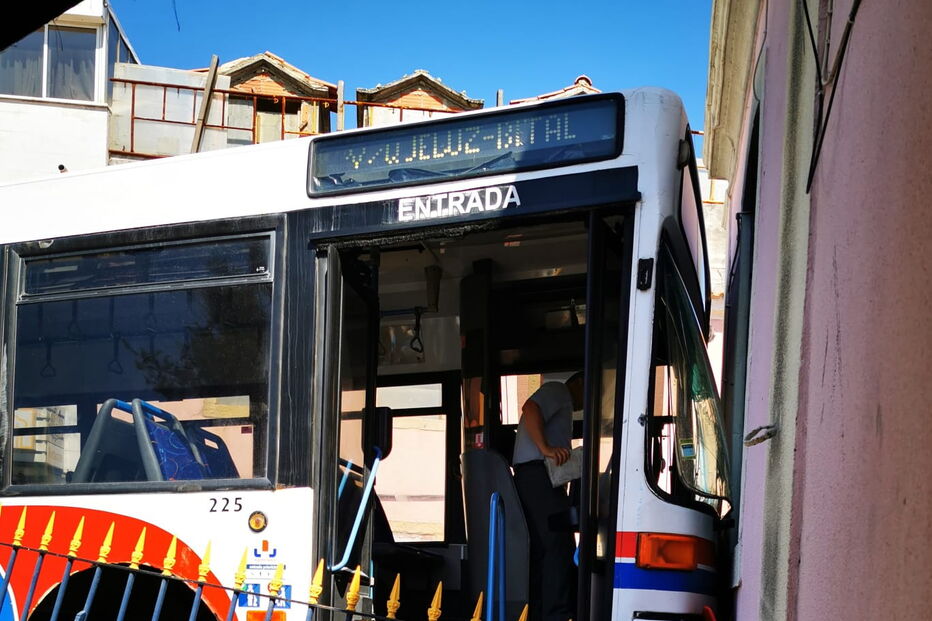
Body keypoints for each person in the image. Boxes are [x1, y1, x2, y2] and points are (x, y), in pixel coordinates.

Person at [512, 372, 584, 621]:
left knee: (544, 548)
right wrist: (546, 449)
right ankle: (557, 613)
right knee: (558, 545)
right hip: (539, 476)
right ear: (581, 384)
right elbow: (530, 408)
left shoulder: (563, 402)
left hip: (538, 479)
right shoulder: (558, 390)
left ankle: (541, 611)